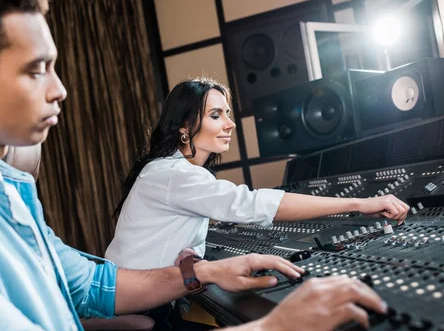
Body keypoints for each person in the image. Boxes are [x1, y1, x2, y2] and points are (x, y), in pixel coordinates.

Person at [0, 0, 388, 331]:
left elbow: (92, 285)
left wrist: (201, 274)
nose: (59, 89)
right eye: (37, 69)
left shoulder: (10, 191)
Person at [105, 77, 410, 270]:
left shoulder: (167, 170)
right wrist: (358, 204)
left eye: (227, 113)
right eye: (215, 115)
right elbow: (254, 205)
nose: (230, 123)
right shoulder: (176, 175)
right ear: (184, 129)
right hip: (140, 308)